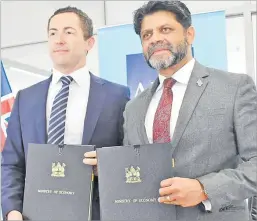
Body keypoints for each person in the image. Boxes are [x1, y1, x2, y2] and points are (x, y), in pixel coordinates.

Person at [121, 1, 256, 221]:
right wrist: (107, 168)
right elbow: (134, 169)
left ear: (189, 34)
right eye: (146, 35)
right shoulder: (133, 108)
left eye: (165, 29)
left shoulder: (234, 88)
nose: (154, 38)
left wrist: (204, 189)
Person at [1, 6, 130, 221]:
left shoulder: (117, 96)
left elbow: (129, 156)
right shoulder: (25, 98)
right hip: (34, 215)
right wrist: (12, 210)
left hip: (96, 214)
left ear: (89, 43)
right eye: (53, 33)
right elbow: (12, 163)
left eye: (68, 32)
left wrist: (107, 166)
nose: (59, 39)